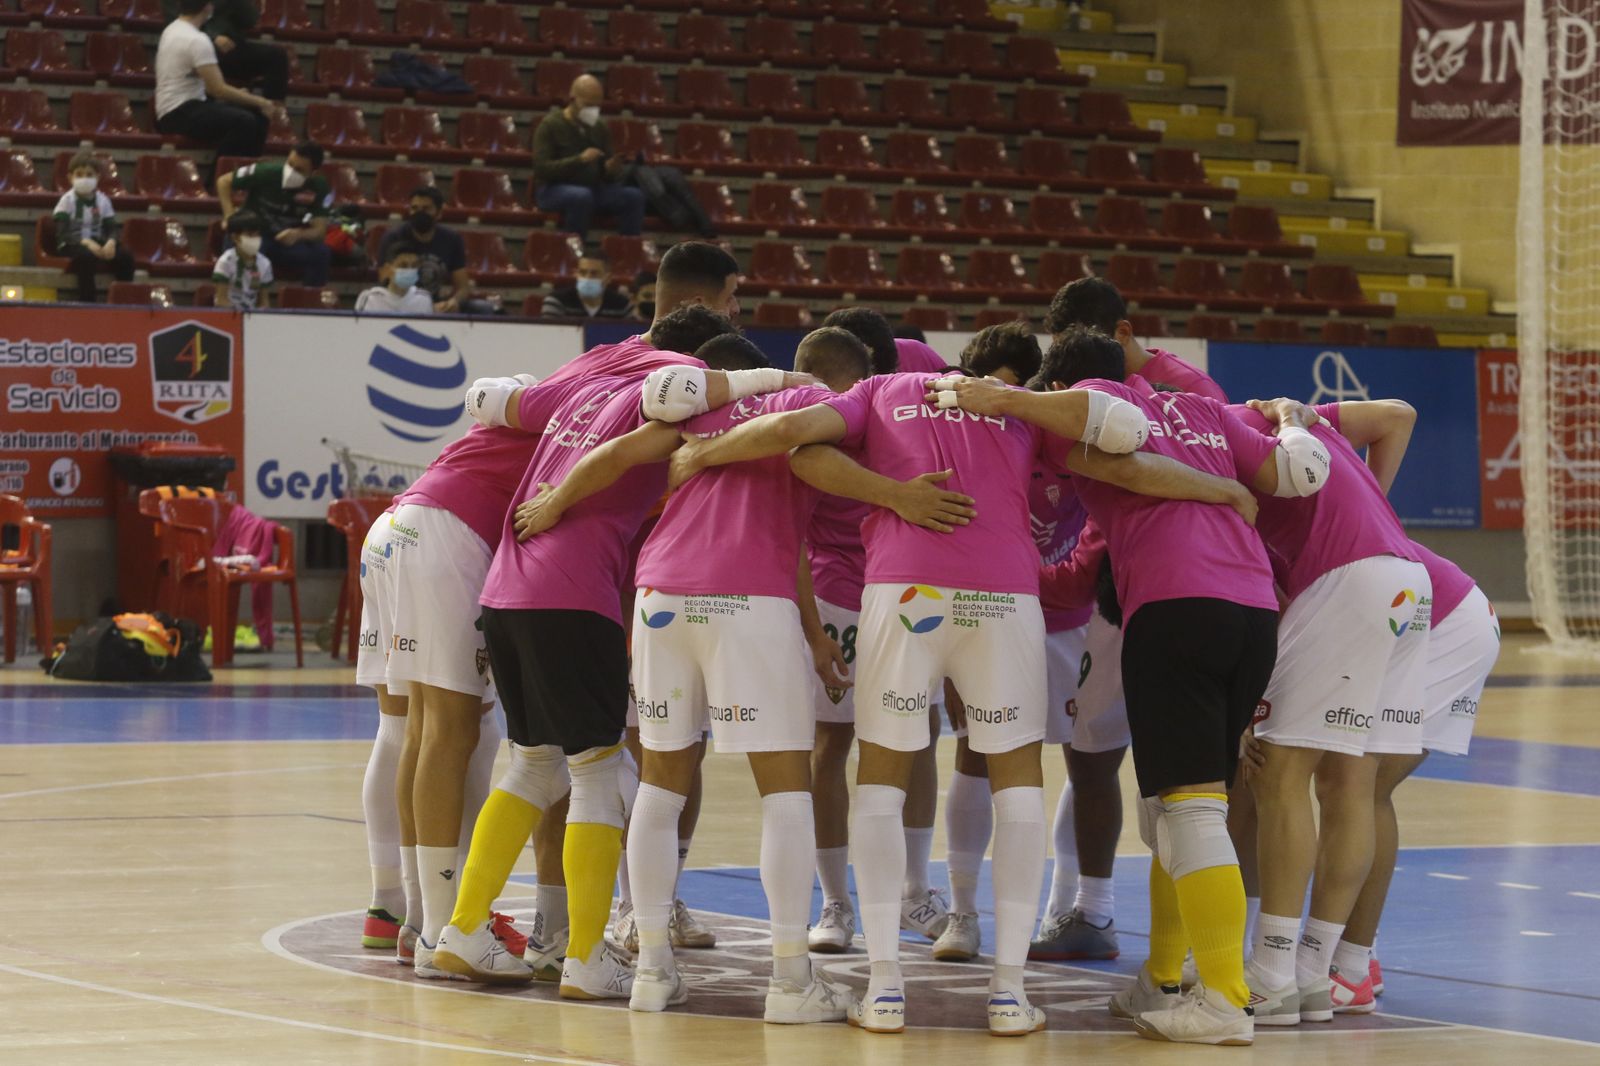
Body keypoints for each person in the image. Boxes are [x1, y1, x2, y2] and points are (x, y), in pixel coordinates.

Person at [668, 348, 1256, 1036]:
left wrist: (706, 453)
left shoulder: (881, 391)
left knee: (881, 781)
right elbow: (1123, 463)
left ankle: (884, 990)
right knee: (1018, 785)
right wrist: (1220, 489)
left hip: (905, 591)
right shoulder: (1019, 411)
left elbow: (797, 444)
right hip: (1004, 597)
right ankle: (1009, 995)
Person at [509, 328, 962, 1022]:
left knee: (661, 783)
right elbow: (807, 459)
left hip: (662, 597)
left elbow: (620, 453)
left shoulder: (706, 408)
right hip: (747, 599)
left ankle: (651, 971)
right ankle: (791, 982)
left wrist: (554, 503)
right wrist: (896, 495)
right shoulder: (817, 408)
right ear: (851, 382)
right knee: (784, 792)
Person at [937, 328, 1330, 1046]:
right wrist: (1288, 424)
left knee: (1190, 812)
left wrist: (1006, 399)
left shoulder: (1090, 406)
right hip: (1253, 610)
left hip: (1177, 605)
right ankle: (1163, 976)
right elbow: (1286, 475)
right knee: (1173, 809)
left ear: (1063, 387)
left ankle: (1224, 1001)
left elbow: (1129, 464)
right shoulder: (1203, 410)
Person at [426, 245, 749, 996]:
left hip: (507, 591)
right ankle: (584, 958)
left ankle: (464, 929)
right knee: (599, 775)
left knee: (533, 762)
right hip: (572, 595)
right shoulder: (669, 397)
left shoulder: (590, 385)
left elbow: (504, 404)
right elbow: (629, 452)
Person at [1225, 397, 1429, 1028]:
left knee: (1278, 776)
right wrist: (1371, 509)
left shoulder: (1217, 433)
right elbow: (1399, 415)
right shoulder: (1288, 418)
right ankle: (1316, 972)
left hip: (1349, 580)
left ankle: (1271, 974)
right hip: (1408, 579)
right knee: (1350, 784)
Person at [804, 305, 952, 955]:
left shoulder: (918, 369)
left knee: (920, 735)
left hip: (909, 587)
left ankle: (914, 889)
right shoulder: (812, 404)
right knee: (832, 742)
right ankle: (835, 902)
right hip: (837, 589)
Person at [1327, 541, 1498, 1011]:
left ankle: (1351, 967)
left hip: (1443, 624)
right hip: (1422, 618)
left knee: (1361, 784)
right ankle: (1355, 957)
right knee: (1352, 783)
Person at [1045, 277, 1227, 401]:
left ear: (1122, 332)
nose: (1071, 361)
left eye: (1081, 351)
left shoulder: (1194, 389)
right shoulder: (1082, 387)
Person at [153, 0, 280, 160]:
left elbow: (206, 84)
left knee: (255, 114)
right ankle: (222, 173)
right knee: (244, 121)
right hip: (179, 112)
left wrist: (241, 96)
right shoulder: (197, 40)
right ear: (207, 7)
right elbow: (217, 90)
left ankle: (243, 170)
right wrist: (261, 101)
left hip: (173, 110)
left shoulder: (172, 29)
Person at [532, 74, 646, 241]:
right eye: (588, 105)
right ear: (572, 99)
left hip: (593, 188)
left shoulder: (599, 127)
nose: (592, 111)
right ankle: (574, 250)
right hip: (552, 189)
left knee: (633, 196)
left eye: (596, 106)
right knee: (581, 196)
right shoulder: (550, 125)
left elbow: (607, 173)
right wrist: (580, 160)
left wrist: (611, 169)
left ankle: (628, 249)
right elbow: (542, 169)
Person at [216, 142, 333, 287]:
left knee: (321, 253)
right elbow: (223, 181)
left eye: (299, 169)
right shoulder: (266, 171)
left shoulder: (319, 187)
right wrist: (229, 216)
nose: (290, 171)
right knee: (248, 246)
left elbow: (319, 231)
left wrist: (298, 234)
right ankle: (243, 296)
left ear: (313, 173)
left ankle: (309, 297)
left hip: (284, 243)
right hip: (253, 234)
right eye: (289, 164)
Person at [378, 187, 484, 314]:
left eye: (426, 209)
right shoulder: (393, 237)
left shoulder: (452, 239)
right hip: (401, 301)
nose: (419, 213)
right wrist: (422, 307)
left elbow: (463, 287)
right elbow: (384, 279)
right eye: (414, 208)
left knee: (482, 307)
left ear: (439, 213)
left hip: (437, 303)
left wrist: (454, 302)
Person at [160, 0, 289, 100]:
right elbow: (177, 23)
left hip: (232, 48)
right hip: (195, 47)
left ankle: (274, 113)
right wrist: (213, 37)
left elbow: (250, 20)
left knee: (277, 56)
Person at [52, 153, 134, 303]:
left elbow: (112, 228)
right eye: (79, 175)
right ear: (70, 177)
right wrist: (86, 242)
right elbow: (63, 233)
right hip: (72, 244)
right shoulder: (66, 201)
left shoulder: (103, 201)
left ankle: (124, 299)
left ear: (98, 177)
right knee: (86, 257)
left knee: (125, 256)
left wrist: (111, 242)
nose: (84, 179)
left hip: (97, 241)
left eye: (89, 175)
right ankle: (88, 301)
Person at [209, 209, 272, 309]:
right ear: (235, 238)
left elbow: (264, 302)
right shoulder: (226, 261)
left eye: (257, 235)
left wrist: (260, 312)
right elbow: (221, 300)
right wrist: (240, 313)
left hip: (252, 315)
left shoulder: (265, 263)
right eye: (250, 235)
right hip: (227, 313)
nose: (255, 239)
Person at [542, 254, 632, 319]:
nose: (587, 278)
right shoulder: (556, 301)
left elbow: (633, 337)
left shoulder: (623, 306)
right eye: (583, 273)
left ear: (608, 278)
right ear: (576, 274)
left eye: (594, 274)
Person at [355, 245, 433, 315]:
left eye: (414, 266)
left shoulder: (424, 299)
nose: (409, 270)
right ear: (387, 269)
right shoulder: (370, 298)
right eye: (403, 266)